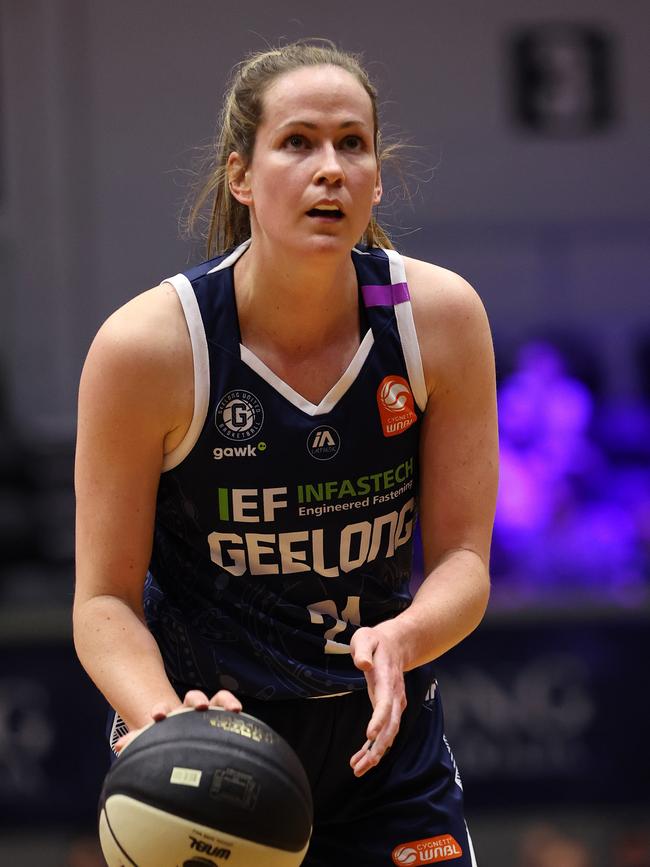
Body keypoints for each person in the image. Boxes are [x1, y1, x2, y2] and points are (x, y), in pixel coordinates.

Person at [73, 41, 498, 866]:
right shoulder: (151, 348)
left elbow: (465, 559)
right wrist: (167, 719)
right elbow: (102, 601)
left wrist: (404, 637)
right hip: (215, 743)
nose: (330, 167)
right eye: (298, 142)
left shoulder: (438, 320)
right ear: (242, 175)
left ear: (378, 176)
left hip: (382, 749)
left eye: (353, 144)